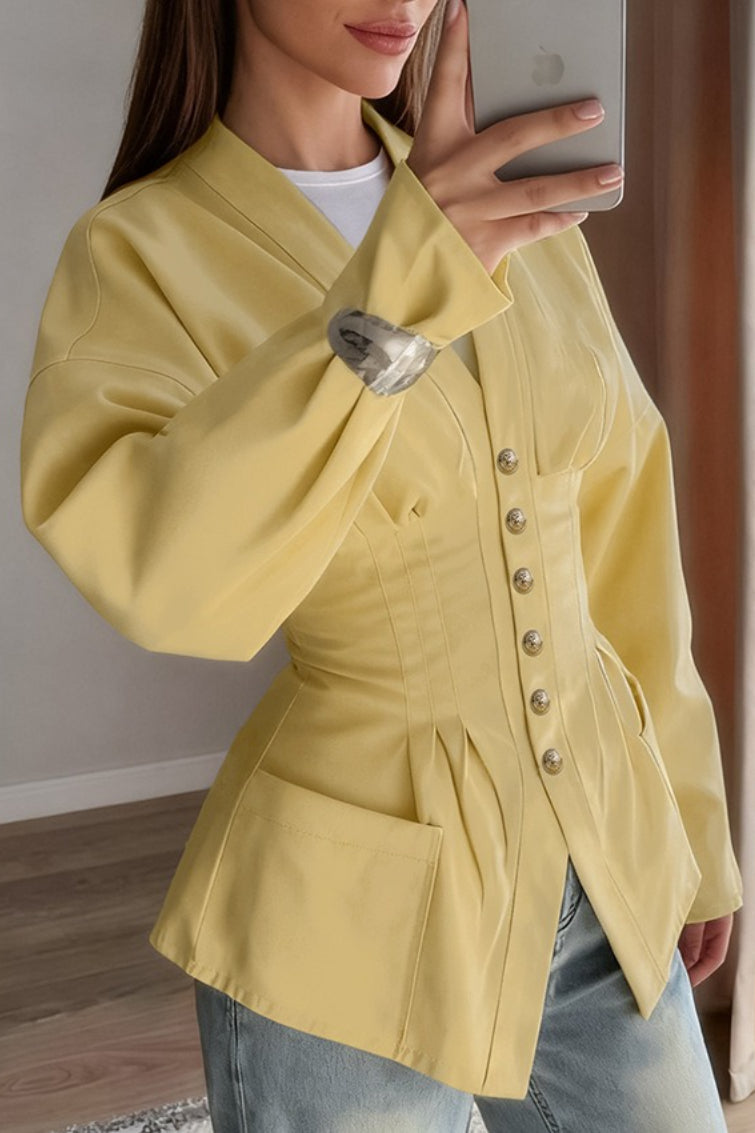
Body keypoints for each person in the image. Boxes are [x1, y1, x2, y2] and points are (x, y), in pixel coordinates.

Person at [19, 0, 744, 1129]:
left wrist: (694, 821)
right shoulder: (140, 251)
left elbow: (620, 534)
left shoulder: (508, 198)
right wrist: (401, 284)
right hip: (351, 929)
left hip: (603, 861)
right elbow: (163, 580)